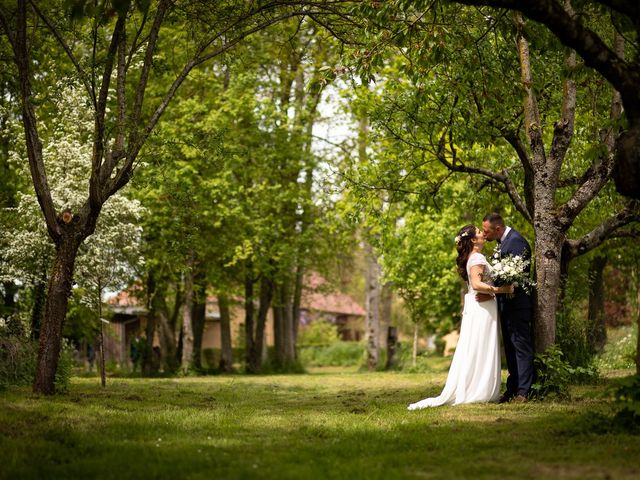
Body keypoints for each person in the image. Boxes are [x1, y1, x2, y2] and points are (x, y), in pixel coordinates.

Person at [408, 224, 514, 410]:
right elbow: (477, 284)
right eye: (480, 232)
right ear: (473, 240)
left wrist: (492, 293)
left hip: (481, 304)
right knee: (480, 345)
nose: (483, 233)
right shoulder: (478, 257)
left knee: (477, 345)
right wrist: (501, 290)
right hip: (482, 307)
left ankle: (478, 387)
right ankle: (478, 390)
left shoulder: (474, 257)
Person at [481, 212, 534, 403]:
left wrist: (491, 288)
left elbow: (515, 275)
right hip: (505, 304)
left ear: (498, 228)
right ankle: (512, 388)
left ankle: (524, 391)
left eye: (486, 231)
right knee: (511, 349)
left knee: (521, 346)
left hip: (517, 305)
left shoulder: (516, 242)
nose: (484, 234)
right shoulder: (502, 243)